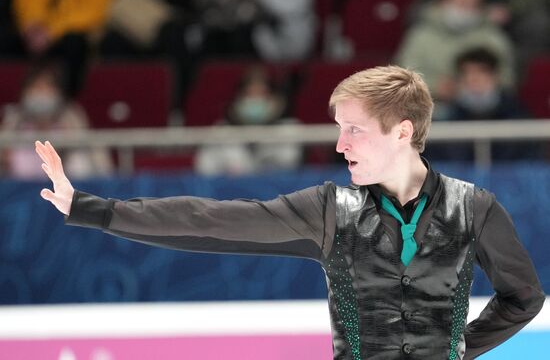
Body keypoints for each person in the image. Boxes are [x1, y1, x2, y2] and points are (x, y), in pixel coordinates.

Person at [35, 65, 544, 359]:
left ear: (403, 132)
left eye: (354, 129)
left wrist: (461, 348)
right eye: (339, 128)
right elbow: (209, 220)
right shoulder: (329, 210)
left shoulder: (474, 208)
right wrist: (90, 207)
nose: (340, 144)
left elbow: (523, 298)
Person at [395, 0, 515, 120]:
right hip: (434, 110)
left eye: (473, 4)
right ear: (443, 2)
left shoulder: (493, 37)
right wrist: (435, 87)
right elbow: (404, 77)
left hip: (489, 111)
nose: (467, 9)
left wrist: (485, 84)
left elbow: (508, 78)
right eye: (461, 3)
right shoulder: (420, 37)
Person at [2, 65, 113, 179]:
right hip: (19, 186)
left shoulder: (72, 115)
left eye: (47, 87)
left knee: (79, 161)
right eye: (36, 87)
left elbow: (93, 152)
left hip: (65, 179)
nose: (41, 93)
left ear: (58, 91)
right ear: (25, 91)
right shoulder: (15, 118)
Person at [194, 65, 302, 176]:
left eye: (261, 94)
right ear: (238, 99)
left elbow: (290, 166)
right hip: (230, 192)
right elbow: (205, 172)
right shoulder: (221, 132)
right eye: (249, 95)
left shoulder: (289, 130)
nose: (255, 100)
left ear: (274, 99)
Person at [11, 0, 113, 98]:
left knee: (74, 44)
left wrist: (50, 32)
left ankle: (67, 99)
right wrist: (31, 23)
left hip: (74, 33)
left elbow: (92, 11)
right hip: (37, 30)